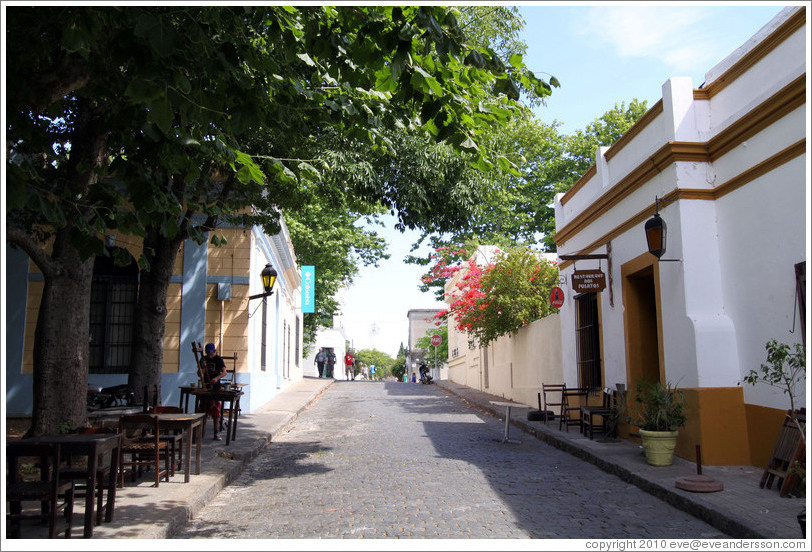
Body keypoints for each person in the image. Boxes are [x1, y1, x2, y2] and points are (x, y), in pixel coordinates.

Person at [199, 342, 227, 440]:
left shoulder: (218, 359)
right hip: (206, 387)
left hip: (215, 388)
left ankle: (216, 432)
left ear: (215, 351)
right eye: (208, 353)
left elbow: (224, 372)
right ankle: (201, 432)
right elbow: (199, 374)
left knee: (215, 410)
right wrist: (203, 368)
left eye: (211, 353)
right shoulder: (204, 359)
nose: (210, 355)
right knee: (203, 410)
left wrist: (216, 378)